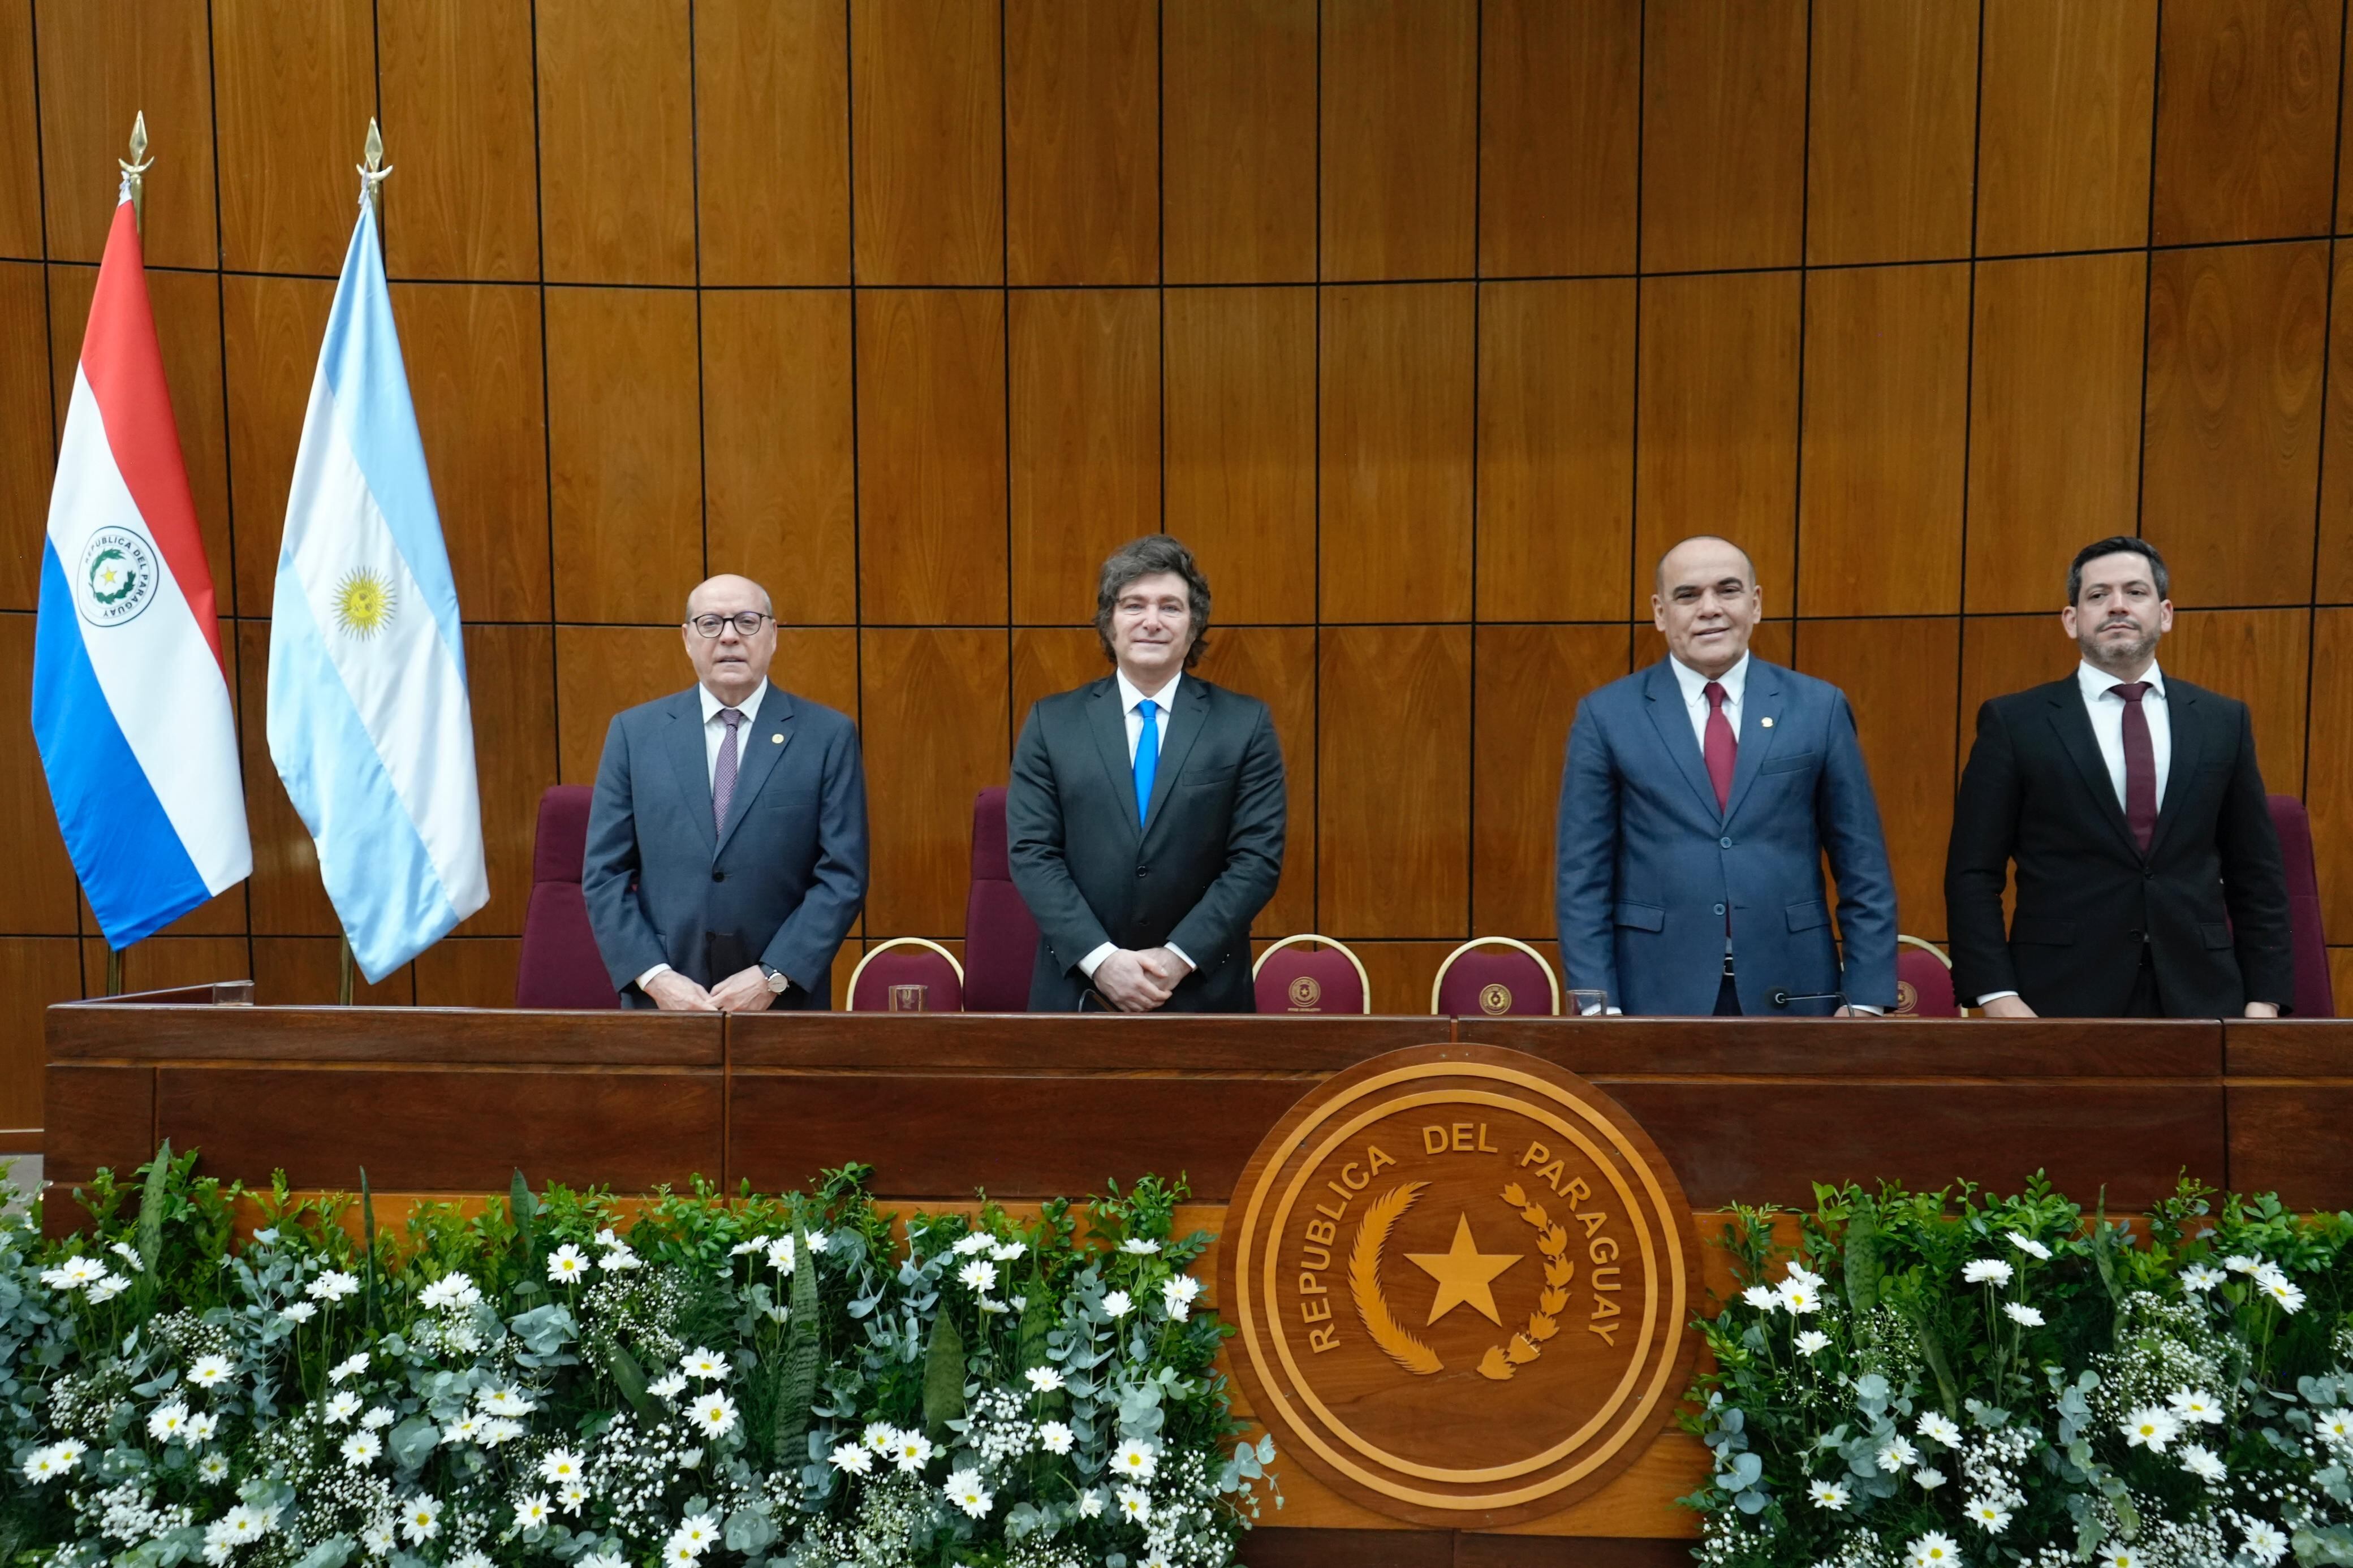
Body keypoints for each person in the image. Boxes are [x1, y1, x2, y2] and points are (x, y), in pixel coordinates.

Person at [1945, 537, 2291, 1018]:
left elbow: (2257, 873)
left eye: (2135, 591)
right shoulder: (2014, 723)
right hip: (2055, 997)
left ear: (2165, 613)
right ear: (2072, 620)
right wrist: (1996, 994)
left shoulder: (2222, 721)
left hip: (2202, 997)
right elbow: (1972, 873)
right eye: (2098, 595)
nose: (2118, 606)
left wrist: (2265, 997)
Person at [1554, 535, 1897, 1016]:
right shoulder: (1606, 716)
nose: (1710, 608)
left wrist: (1866, 997)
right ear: (1660, 612)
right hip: (1652, 994)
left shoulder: (1819, 708)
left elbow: (1863, 866)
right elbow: (1582, 878)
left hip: (1798, 991)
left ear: (1755, 604)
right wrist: (1596, 1004)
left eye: (1728, 590)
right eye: (1688, 595)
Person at [1007, 535, 1285, 1012]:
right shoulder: (1051, 723)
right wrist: (1103, 961)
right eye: (1134, 605)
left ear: (1194, 624)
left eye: (1170, 607)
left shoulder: (1244, 724)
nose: (1151, 621)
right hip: (1079, 992)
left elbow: (1256, 860)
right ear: (1109, 622)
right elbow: (1032, 853)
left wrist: (1177, 959)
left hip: (1203, 994)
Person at [583, 574, 867, 1010]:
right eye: (711, 623)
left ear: (774, 635)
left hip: (784, 1005)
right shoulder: (634, 734)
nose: (730, 636)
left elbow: (843, 877)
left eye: (747, 621)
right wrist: (656, 979)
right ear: (687, 638)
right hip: (662, 1004)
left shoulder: (827, 737)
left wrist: (773, 976)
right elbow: (605, 874)